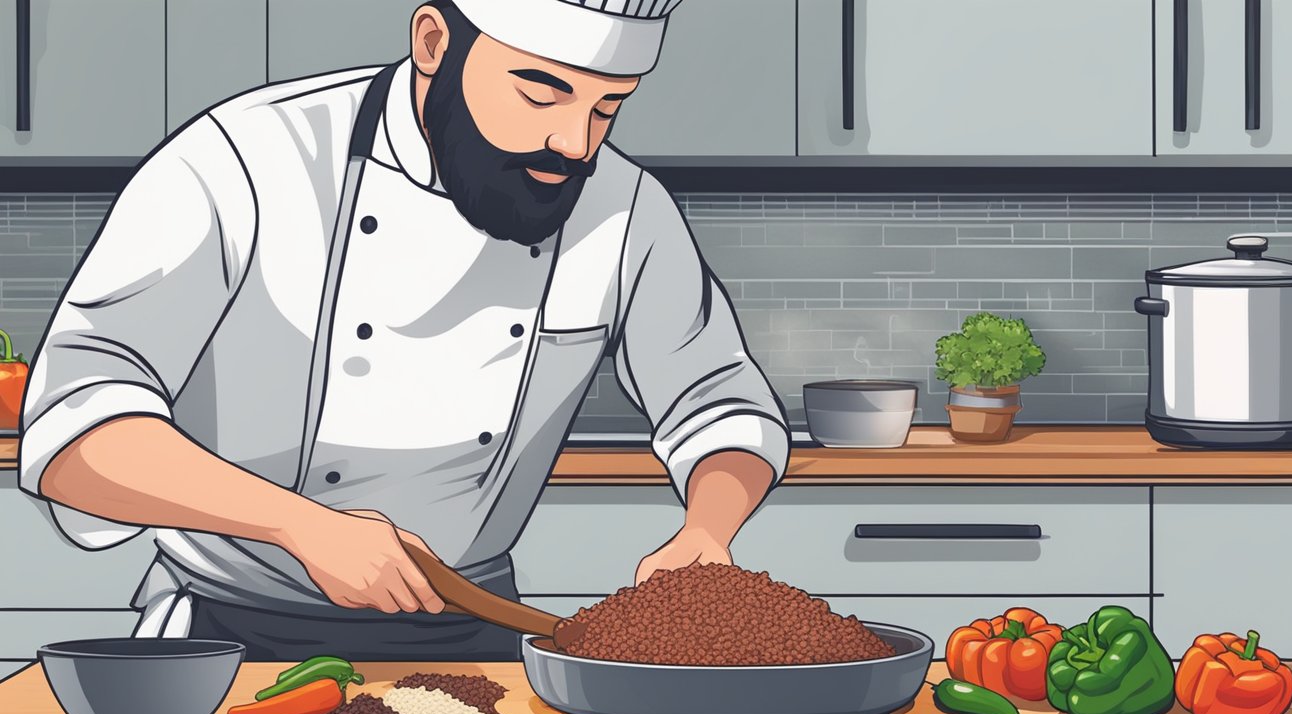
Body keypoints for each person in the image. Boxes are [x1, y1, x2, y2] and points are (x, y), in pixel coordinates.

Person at [18, 0, 790, 661]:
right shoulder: (243, 162)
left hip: (478, 631)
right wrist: (302, 528)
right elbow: (76, 433)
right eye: (539, 94)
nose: (575, 143)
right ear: (433, 43)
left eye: (607, 105)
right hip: (226, 640)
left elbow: (717, 400)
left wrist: (707, 530)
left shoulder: (624, 208)